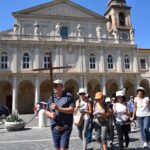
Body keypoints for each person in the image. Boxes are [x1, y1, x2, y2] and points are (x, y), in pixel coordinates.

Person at [45, 79, 75, 150]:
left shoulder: (68, 96)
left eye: (55, 86)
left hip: (65, 127)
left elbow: (72, 110)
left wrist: (59, 109)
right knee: (57, 148)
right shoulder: (51, 98)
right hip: (55, 127)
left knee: (63, 148)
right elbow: (47, 111)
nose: (54, 87)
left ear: (61, 87)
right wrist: (51, 115)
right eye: (53, 86)